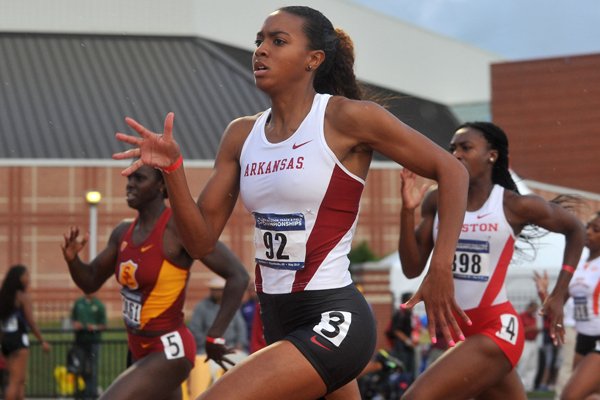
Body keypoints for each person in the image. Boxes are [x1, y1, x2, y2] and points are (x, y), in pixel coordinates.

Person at [113, 6, 470, 399]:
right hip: (277, 318)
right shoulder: (241, 134)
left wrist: (440, 267)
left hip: (335, 316)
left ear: (313, 60)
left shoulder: (345, 118)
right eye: (259, 41)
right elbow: (199, 243)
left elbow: (453, 172)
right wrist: (174, 170)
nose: (261, 50)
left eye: (277, 41)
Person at [398, 121, 585, 400]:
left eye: (466, 147)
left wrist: (559, 294)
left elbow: (575, 229)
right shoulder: (437, 202)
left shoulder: (513, 205)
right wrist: (407, 211)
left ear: (492, 155)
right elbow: (412, 269)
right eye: (452, 149)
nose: (456, 154)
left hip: (496, 329)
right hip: (459, 334)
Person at [61, 164, 249, 400]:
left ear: (161, 186)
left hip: (169, 349)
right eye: (129, 178)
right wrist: (72, 260)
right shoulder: (122, 232)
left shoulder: (178, 229)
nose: (130, 184)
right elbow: (90, 281)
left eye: (139, 178)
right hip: (138, 348)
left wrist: (215, 335)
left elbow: (238, 276)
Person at [560, 211, 600, 400]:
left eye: (596, 229)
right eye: (587, 227)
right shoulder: (578, 266)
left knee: (571, 396)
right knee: (590, 395)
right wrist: (545, 294)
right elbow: (560, 300)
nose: (588, 232)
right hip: (583, 338)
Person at [187, 276, 248, 397]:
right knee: (209, 369)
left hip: (230, 348)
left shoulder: (231, 306)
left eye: (219, 289)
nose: (216, 292)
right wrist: (209, 344)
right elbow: (195, 329)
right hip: (207, 350)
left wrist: (240, 344)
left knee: (246, 364)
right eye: (213, 289)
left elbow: (241, 329)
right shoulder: (202, 307)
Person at [0, 264, 51, 400]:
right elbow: (31, 322)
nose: (29, 278)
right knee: (15, 381)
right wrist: (42, 340)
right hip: (18, 341)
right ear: (19, 278)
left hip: (7, 341)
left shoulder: (5, 297)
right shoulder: (23, 297)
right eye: (26, 275)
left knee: (21, 380)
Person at [70, 291, 107, 399]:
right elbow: (73, 319)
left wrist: (94, 327)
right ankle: (80, 392)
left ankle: (92, 393)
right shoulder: (78, 303)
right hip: (80, 341)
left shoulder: (99, 305)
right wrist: (75, 324)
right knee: (79, 367)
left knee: (92, 369)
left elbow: (103, 325)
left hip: (93, 341)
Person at [387, 292, 417, 380]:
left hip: (407, 348)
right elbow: (396, 330)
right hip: (401, 349)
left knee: (410, 372)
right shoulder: (401, 313)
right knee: (403, 372)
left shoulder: (409, 314)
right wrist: (408, 341)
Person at [516, 300, 541, 392]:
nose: (534, 311)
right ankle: (521, 386)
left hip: (533, 342)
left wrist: (537, 330)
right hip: (525, 342)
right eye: (533, 309)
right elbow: (520, 331)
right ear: (529, 307)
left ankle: (529, 387)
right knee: (523, 364)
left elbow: (538, 329)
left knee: (533, 365)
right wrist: (531, 329)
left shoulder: (534, 318)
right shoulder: (522, 316)